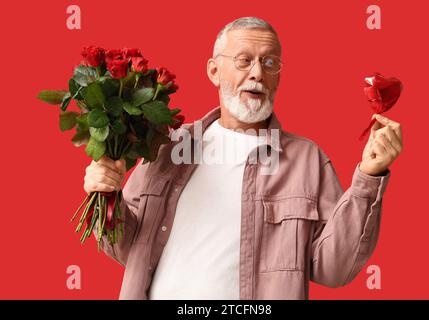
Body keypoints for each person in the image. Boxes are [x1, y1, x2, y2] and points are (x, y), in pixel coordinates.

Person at [84, 17, 403, 300]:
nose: (257, 74)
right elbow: (127, 247)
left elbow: (334, 269)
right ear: (213, 70)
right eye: (244, 60)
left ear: (279, 76)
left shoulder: (307, 160)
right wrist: (106, 194)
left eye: (269, 63)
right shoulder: (167, 144)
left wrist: (369, 176)